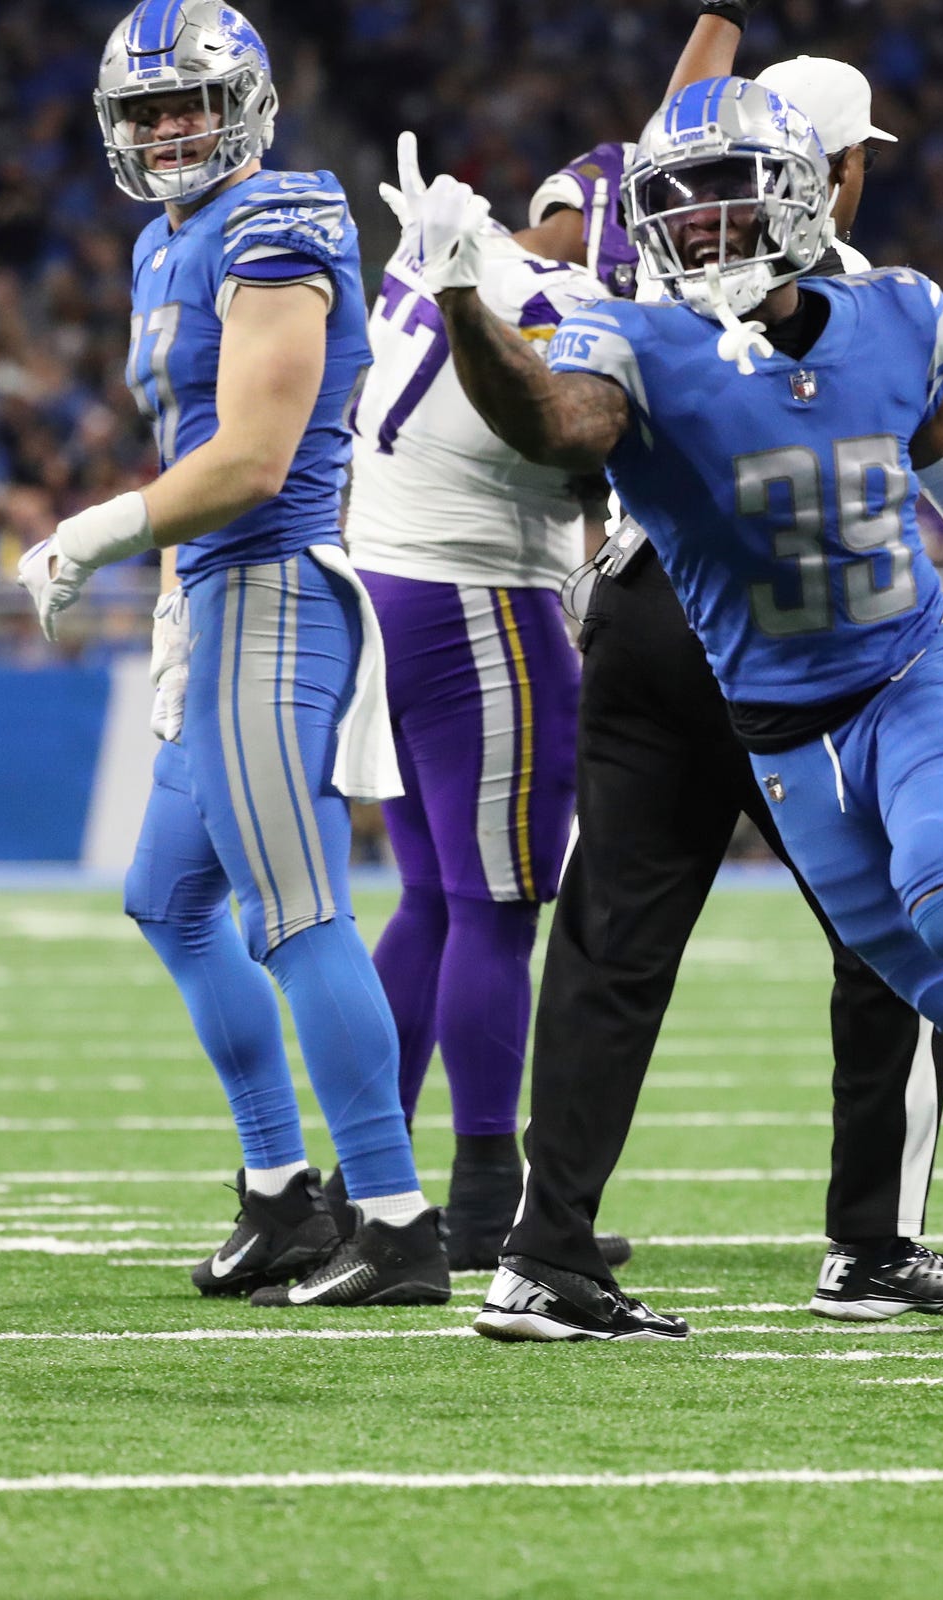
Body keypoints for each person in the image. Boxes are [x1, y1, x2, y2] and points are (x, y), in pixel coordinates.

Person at [420, 76, 943, 1396]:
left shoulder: (898, 315)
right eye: (679, 211)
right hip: (786, 744)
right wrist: (457, 304)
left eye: (728, 205)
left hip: (917, 682)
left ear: (801, 197)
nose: (704, 234)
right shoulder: (631, 346)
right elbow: (550, 429)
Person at [480, 9, 943, 1327]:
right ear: (836, 169)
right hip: (792, 645)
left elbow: (669, 148)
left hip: (648, 614)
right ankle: (871, 1243)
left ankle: (543, 1248)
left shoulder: (667, 266)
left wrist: (712, 22)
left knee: (611, 942)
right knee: (893, 934)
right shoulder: (850, 294)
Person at [18, 0, 444, 1306]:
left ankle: (394, 1216)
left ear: (245, 101)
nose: (168, 130)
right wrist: (160, 585)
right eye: (145, 112)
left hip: (276, 583)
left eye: (189, 103)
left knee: (297, 910)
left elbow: (254, 460)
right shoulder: (169, 241)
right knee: (167, 896)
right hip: (215, 598)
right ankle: (282, 1196)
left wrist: (93, 528)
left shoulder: (280, 220)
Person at [341, 135, 602, 1271]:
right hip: (476, 600)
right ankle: (488, 1193)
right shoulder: (563, 294)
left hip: (379, 587)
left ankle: (378, 1183)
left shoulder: (453, 245)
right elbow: (569, 447)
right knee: (496, 909)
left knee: (430, 903)